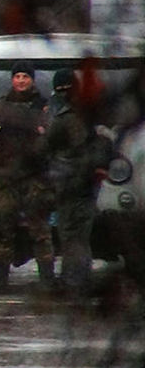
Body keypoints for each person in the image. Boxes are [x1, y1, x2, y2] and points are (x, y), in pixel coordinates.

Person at [0, 61, 53, 291]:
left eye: (25, 77)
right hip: (7, 177)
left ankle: (47, 279)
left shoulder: (44, 107)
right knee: (4, 227)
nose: (21, 81)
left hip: (35, 176)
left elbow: (58, 136)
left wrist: (44, 133)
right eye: (17, 77)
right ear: (12, 79)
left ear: (32, 80)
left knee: (40, 228)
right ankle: (0, 279)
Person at [44, 67, 112, 294]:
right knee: (78, 235)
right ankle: (77, 280)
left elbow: (47, 146)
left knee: (72, 235)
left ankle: (74, 282)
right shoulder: (90, 115)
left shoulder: (64, 117)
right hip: (83, 185)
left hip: (71, 185)